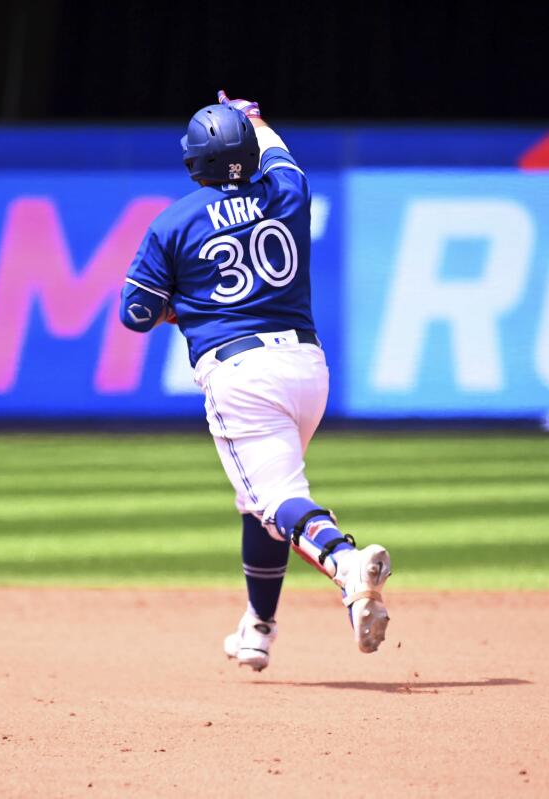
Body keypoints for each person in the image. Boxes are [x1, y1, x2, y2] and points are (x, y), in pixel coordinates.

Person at [118, 91, 392, 671]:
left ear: (193, 161)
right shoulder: (287, 192)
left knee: (278, 501)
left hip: (241, 374)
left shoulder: (173, 222)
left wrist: (182, 305)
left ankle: (345, 563)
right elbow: (281, 157)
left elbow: (135, 314)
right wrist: (255, 118)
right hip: (307, 369)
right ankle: (258, 626)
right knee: (259, 501)